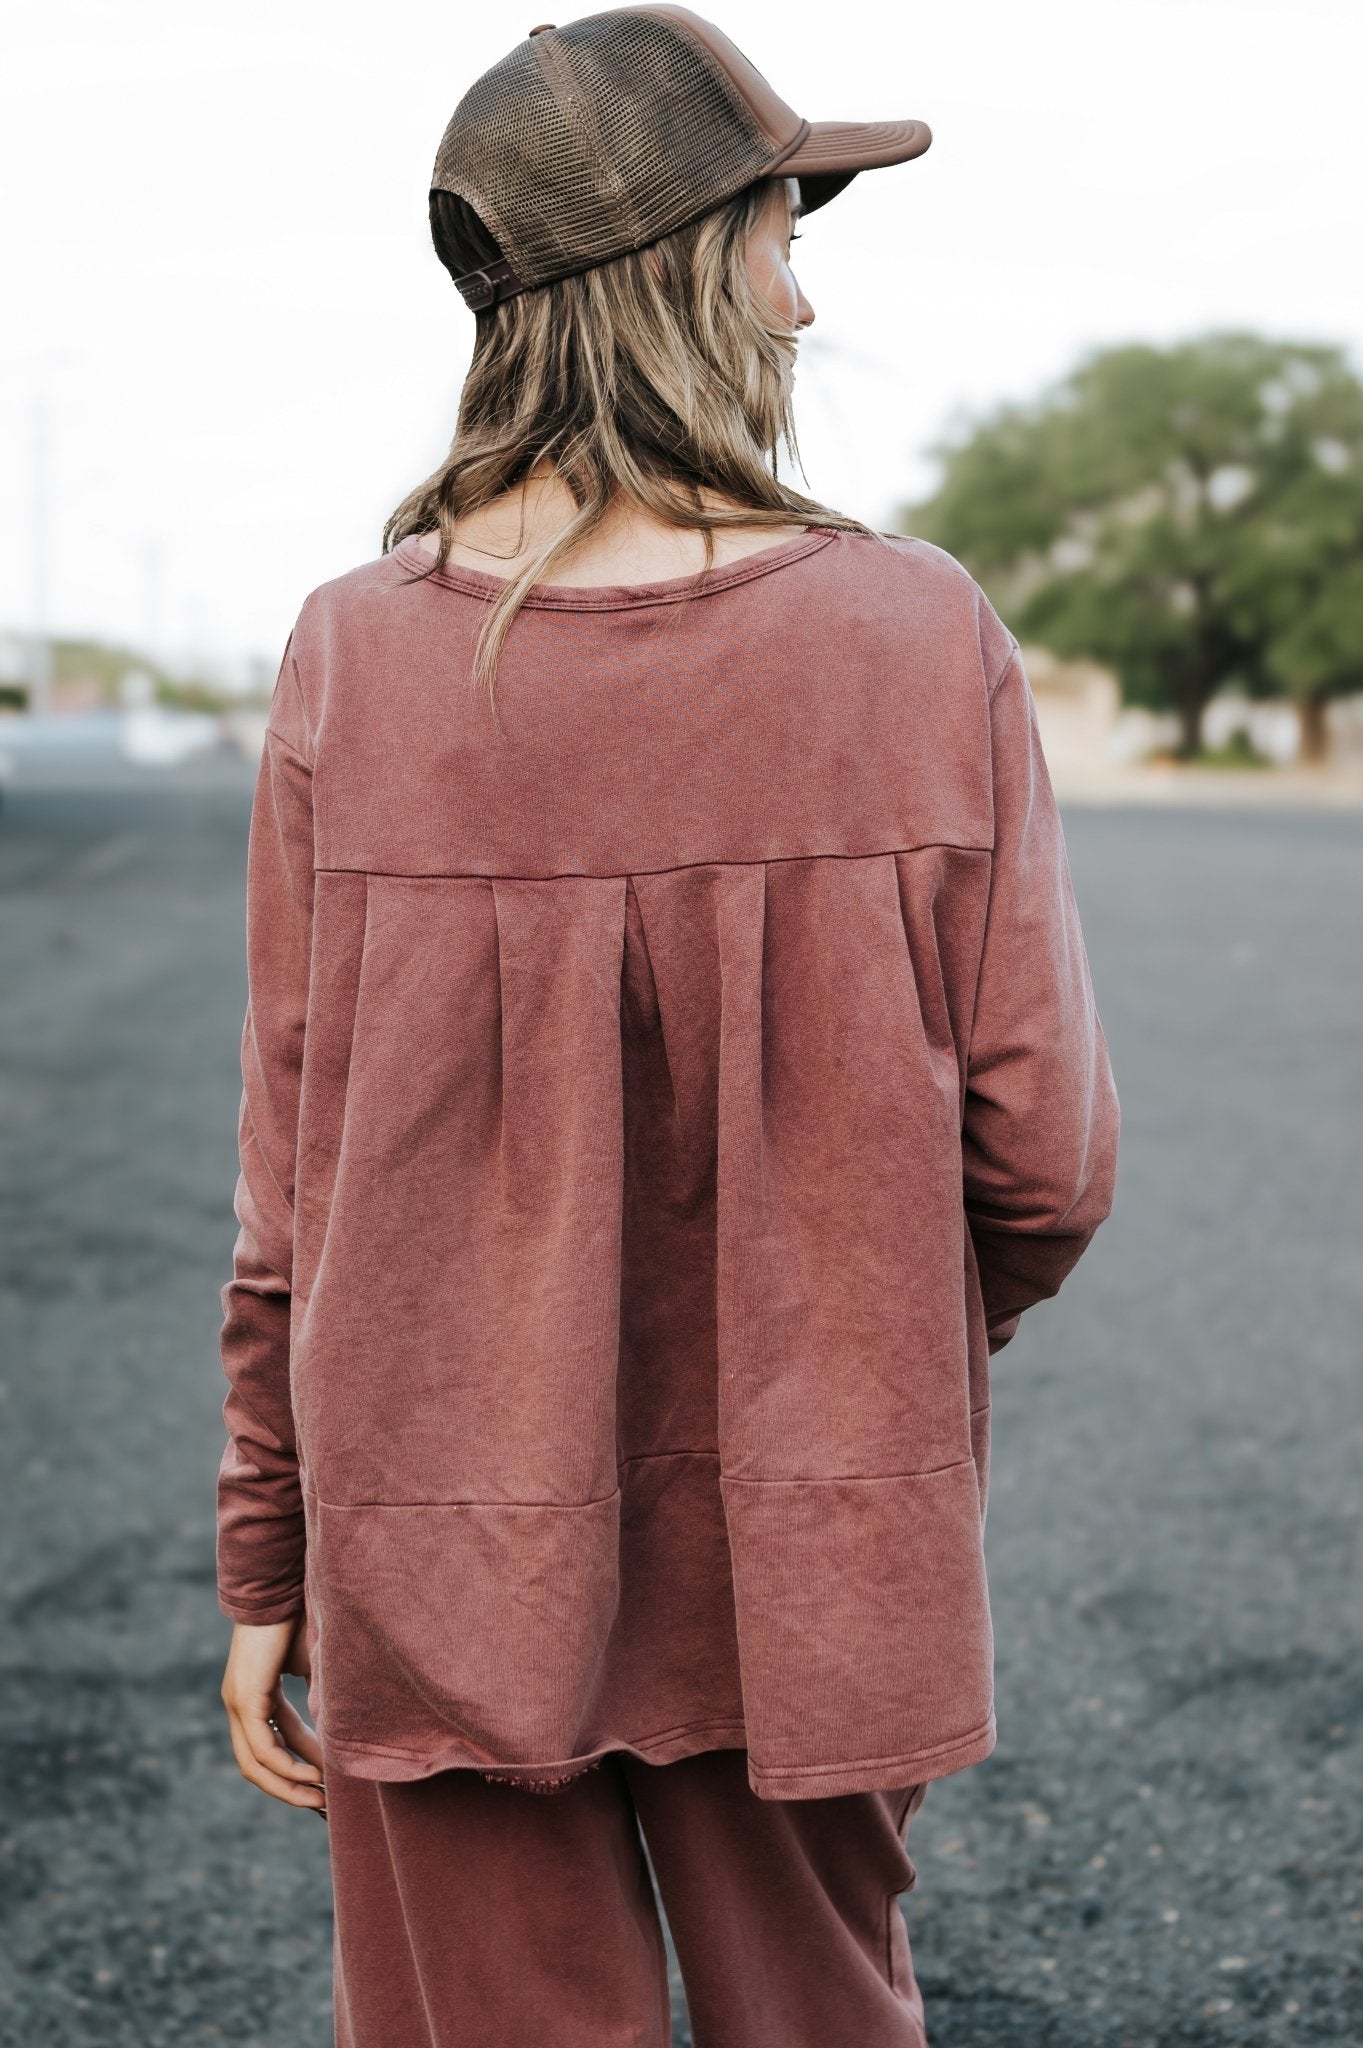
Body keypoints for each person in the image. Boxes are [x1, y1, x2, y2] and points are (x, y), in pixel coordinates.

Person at [214, 8, 1121, 2044]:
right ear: (687, 266)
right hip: (817, 1525)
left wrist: (265, 1543)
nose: (804, 296)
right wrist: (856, 1346)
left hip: (431, 1534)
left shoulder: (352, 662)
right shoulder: (918, 635)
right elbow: (1041, 1159)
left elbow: (292, 1174)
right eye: (782, 229)